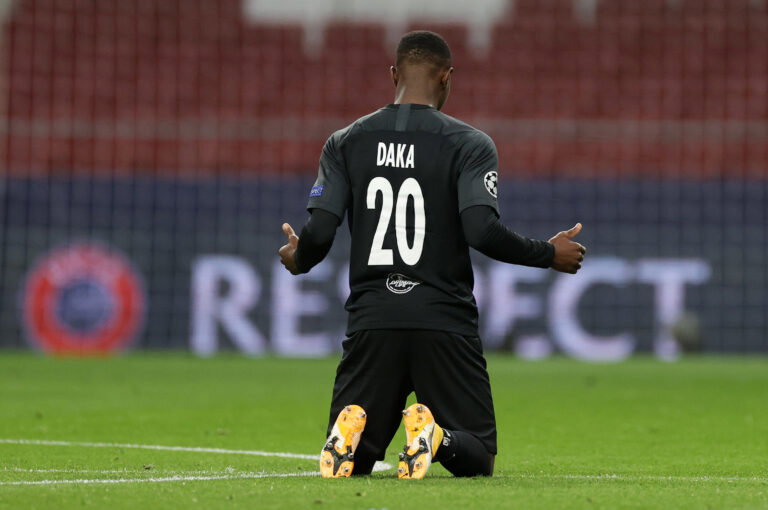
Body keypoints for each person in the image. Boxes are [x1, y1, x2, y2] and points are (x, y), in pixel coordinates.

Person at [278, 31, 586, 479]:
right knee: (477, 453)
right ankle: (436, 438)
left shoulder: (345, 141)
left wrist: (299, 257)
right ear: (447, 77)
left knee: (357, 458)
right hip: (443, 318)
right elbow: (481, 230)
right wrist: (548, 253)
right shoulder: (470, 144)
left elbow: (320, 231)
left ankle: (350, 444)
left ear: (393, 75)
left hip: (372, 319)